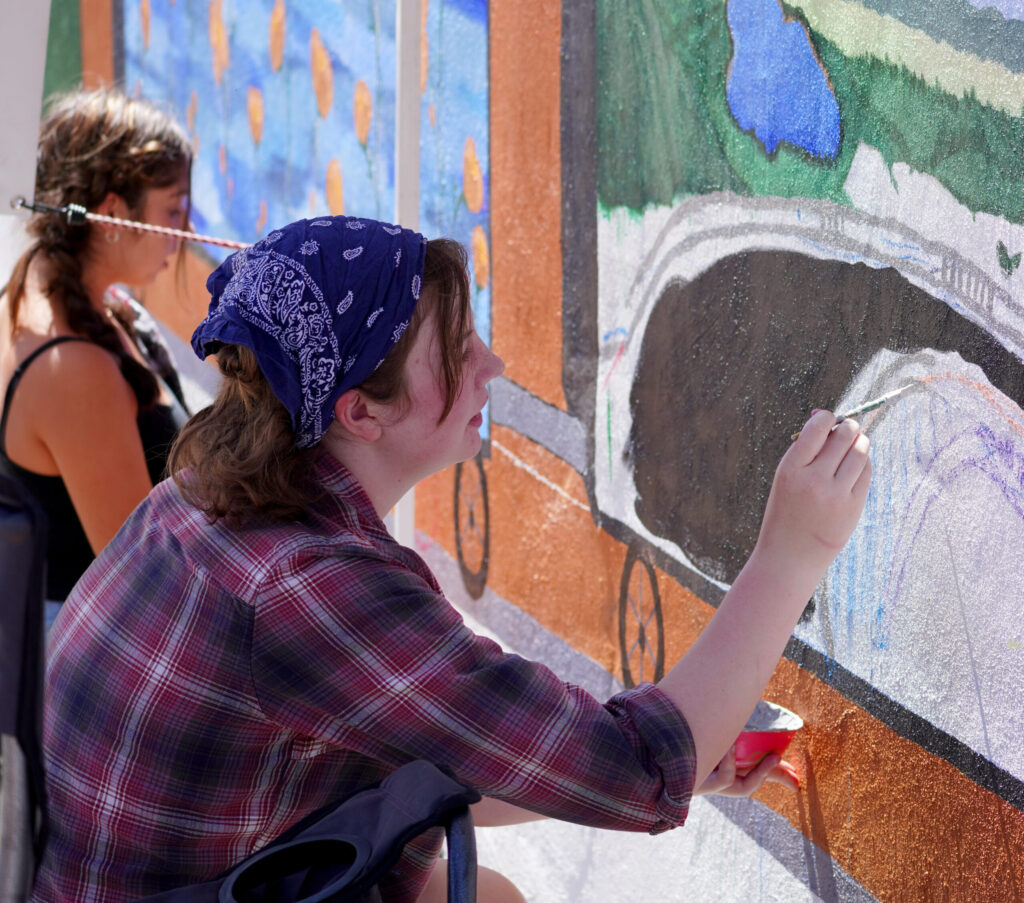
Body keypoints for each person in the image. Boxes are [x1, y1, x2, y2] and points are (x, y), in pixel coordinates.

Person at [31, 215, 871, 903]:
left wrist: (677, 755)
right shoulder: (316, 585)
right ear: (360, 410)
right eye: (459, 347)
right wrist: (794, 553)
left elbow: (435, 761)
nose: (492, 365)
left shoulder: (212, 493)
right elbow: (639, 770)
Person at [0, 86, 193, 626]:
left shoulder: (47, 283)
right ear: (112, 214)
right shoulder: (73, 369)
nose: (184, 236)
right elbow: (143, 582)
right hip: (84, 665)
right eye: (173, 213)